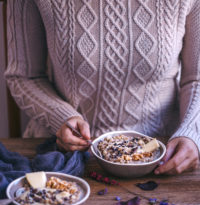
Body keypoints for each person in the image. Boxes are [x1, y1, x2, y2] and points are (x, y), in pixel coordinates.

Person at [5, 0, 200, 175]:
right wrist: (61, 117)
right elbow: (24, 76)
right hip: (62, 156)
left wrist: (191, 133)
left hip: (162, 155)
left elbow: (195, 79)